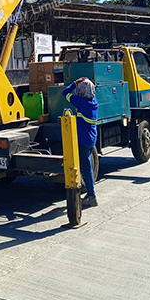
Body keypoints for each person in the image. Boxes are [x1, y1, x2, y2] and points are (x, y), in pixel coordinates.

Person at [62, 76, 98, 208]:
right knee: (87, 167)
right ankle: (90, 194)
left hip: (82, 139)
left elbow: (64, 93)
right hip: (91, 139)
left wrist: (74, 83)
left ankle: (91, 195)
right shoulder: (93, 102)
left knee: (85, 168)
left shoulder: (82, 103)